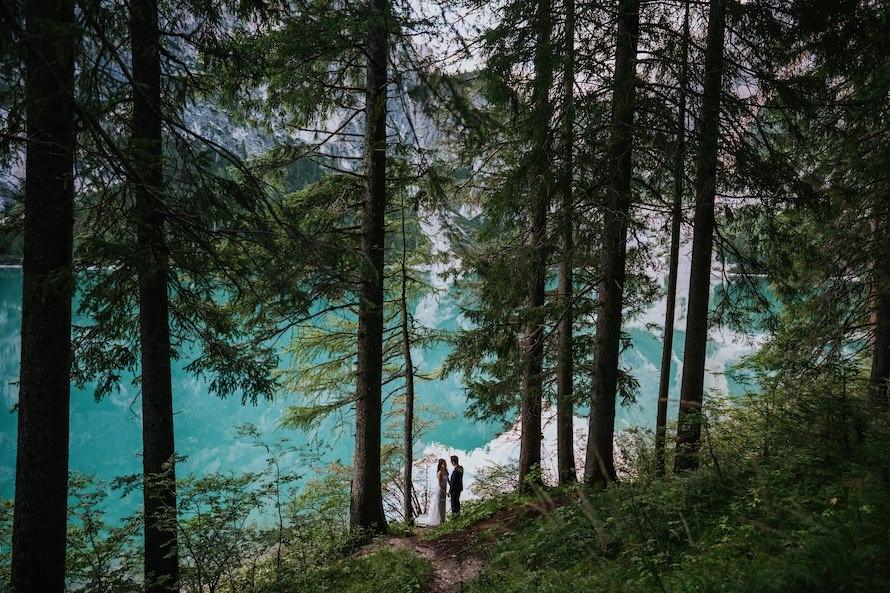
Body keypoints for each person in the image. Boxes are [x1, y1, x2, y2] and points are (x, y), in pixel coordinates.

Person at [416, 458, 448, 527]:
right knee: (439, 505)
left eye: (445, 463)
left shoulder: (445, 471)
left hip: (445, 489)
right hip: (441, 490)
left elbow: (448, 481)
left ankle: (443, 520)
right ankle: (439, 520)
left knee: (443, 505)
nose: (445, 465)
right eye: (444, 464)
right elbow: (439, 485)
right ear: (440, 464)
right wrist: (445, 493)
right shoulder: (439, 473)